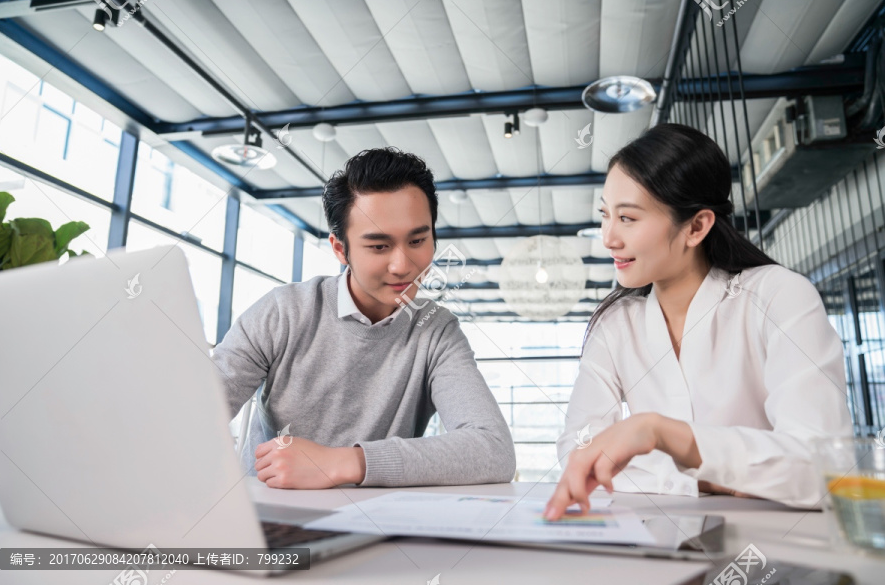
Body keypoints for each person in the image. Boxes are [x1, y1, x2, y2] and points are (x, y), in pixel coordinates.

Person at [544, 123, 852, 517]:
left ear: (696, 226)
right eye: (606, 215)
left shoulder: (778, 296)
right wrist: (722, 475)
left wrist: (657, 434)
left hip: (773, 554)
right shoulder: (615, 326)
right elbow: (579, 455)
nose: (608, 238)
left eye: (628, 218)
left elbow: (826, 468)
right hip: (655, 549)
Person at [212, 147, 515, 489]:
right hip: (269, 522)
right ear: (340, 249)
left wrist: (343, 462)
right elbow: (194, 415)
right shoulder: (282, 313)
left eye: (417, 240)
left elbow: (493, 449)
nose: (403, 265)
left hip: (378, 525)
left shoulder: (436, 330)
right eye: (379, 246)